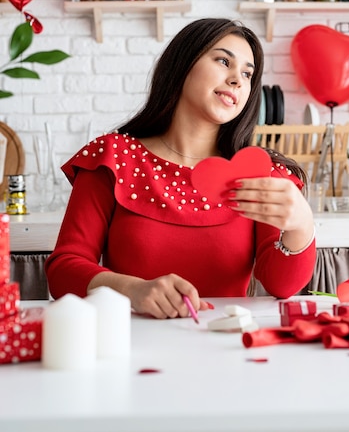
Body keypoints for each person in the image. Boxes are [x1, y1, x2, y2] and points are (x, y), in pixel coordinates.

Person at [45, 18, 316, 319]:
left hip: (227, 350)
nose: (238, 80)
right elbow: (63, 269)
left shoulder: (260, 172)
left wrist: (302, 226)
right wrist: (132, 290)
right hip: (128, 346)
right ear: (183, 63)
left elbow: (282, 285)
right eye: (224, 61)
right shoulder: (114, 157)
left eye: (247, 74)